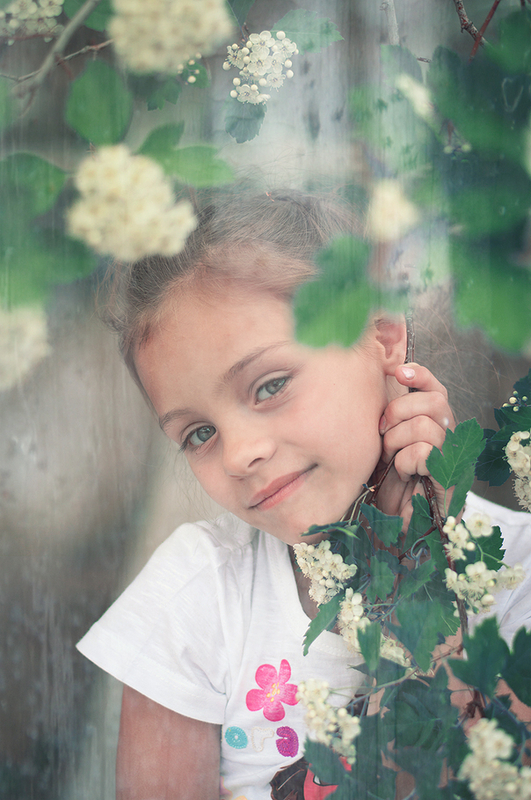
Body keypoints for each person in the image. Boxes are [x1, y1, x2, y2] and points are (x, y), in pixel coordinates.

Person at [76, 191, 530, 800]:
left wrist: (421, 577)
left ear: (383, 337)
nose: (238, 455)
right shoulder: (194, 596)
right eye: (199, 434)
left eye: (269, 386)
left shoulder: (519, 574)